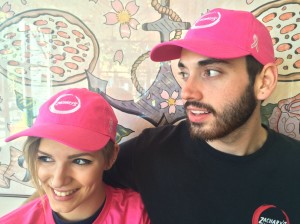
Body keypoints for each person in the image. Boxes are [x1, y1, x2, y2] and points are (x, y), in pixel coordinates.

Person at [103, 8, 300, 224]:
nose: (187, 92)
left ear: (264, 82)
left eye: (211, 72)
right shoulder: (149, 153)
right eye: (185, 74)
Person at [1, 88, 150, 224]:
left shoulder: (142, 214)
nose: (58, 180)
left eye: (80, 161)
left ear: (111, 157)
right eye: (45, 159)